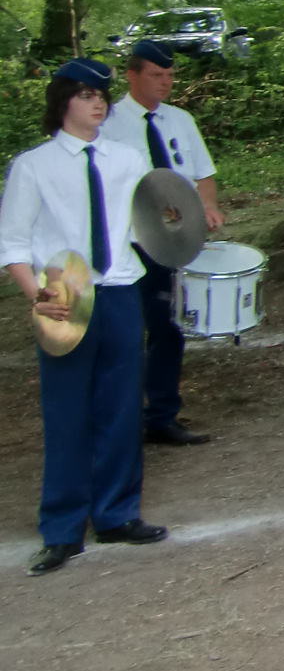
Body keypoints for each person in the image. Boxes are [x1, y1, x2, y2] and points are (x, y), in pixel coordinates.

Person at [2, 59, 167, 575]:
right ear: (63, 103)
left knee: (122, 406)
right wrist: (36, 295)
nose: (98, 103)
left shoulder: (127, 159)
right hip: (65, 294)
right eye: (86, 95)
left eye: (102, 96)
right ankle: (62, 527)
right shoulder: (33, 165)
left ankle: (117, 514)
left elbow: (149, 223)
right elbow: (13, 242)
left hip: (120, 290)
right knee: (67, 411)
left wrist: (178, 223)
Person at [101, 40, 224, 445]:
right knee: (126, 331)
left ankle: (162, 415)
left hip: (174, 241)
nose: (166, 82)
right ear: (132, 75)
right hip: (129, 242)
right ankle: (120, 417)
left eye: (170, 75)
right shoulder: (108, 122)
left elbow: (203, 174)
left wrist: (208, 206)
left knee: (168, 328)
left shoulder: (180, 120)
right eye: (156, 74)